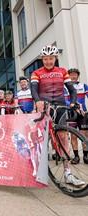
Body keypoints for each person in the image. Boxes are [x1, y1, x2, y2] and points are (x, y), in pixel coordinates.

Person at [31, 45, 85, 186]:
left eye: (51, 58)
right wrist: (37, 101)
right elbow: (34, 90)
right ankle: (37, 170)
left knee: (63, 138)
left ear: (56, 58)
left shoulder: (62, 71)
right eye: (46, 59)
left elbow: (72, 90)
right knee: (41, 139)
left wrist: (73, 102)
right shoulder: (36, 72)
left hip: (60, 107)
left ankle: (67, 173)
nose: (48, 61)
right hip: (45, 107)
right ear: (42, 59)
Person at [66, 68, 88, 164]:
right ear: (69, 76)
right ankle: (76, 157)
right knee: (73, 135)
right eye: (71, 75)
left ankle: (86, 156)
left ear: (78, 76)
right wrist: (75, 105)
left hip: (83, 114)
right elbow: (65, 100)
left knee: (84, 135)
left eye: (75, 74)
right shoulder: (65, 87)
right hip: (72, 114)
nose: (73, 76)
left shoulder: (83, 86)